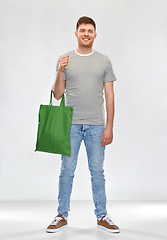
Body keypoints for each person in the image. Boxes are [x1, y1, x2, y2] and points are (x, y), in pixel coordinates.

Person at [46, 16, 120, 234]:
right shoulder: (65, 59)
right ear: (76, 33)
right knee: (67, 170)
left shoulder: (104, 61)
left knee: (97, 171)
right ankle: (61, 215)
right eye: (82, 30)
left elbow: (110, 96)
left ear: (95, 35)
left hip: (97, 125)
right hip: (70, 125)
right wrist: (60, 70)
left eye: (90, 31)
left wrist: (109, 126)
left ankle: (102, 215)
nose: (86, 34)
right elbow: (58, 95)